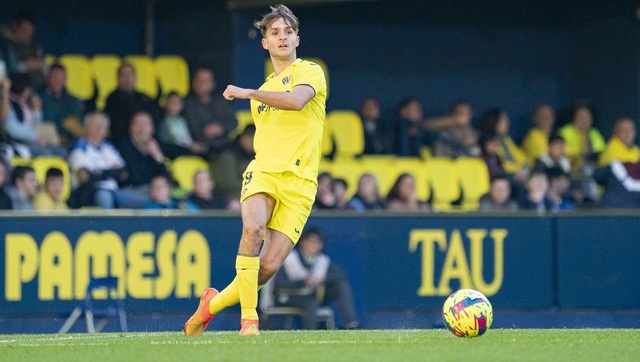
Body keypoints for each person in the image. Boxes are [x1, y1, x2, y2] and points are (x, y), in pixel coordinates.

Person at [184, 4, 327, 337]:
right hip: (264, 172)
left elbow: (295, 101)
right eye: (274, 33)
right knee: (253, 228)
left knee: (265, 269)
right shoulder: (262, 93)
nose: (281, 38)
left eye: (287, 32)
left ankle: (211, 305)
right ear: (264, 42)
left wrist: (248, 91)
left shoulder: (310, 72)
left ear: (297, 39)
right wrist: (254, 93)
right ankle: (249, 320)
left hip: (301, 184)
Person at [271, 228, 359, 330]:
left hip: (310, 295)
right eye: (310, 241)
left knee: (340, 286)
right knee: (310, 302)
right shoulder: (290, 258)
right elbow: (279, 283)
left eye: (317, 242)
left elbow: (341, 275)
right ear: (303, 242)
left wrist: (322, 279)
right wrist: (303, 282)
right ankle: (309, 333)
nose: (313, 245)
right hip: (287, 296)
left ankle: (352, 325)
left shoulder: (322, 260)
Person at [67, 112, 146, 209]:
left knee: (149, 200)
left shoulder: (109, 148)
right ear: (87, 127)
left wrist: (97, 173)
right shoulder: (80, 147)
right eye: (96, 124)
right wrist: (111, 173)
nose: (99, 128)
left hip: (114, 191)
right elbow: (84, 176)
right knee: (104, 195)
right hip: (89, 193)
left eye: (103, 125)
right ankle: (108, 225)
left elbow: (124, 174)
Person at [6, 73, 66, 158]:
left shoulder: (25, 103)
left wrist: (36, 109)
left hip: (36, 141)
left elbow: (37, 123)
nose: (30, 91)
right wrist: (34, 137)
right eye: (28, 88)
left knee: (62, 151)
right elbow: (12, 128)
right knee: (47, 154)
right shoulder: (8, 104)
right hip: (20, 143)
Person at [117, 111, 169, 208]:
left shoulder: (156, 146)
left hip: (156, 190)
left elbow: (166, 178)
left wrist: (157, 156)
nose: (142, 129)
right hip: (134, 192)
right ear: (131, 128)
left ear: (152, 129)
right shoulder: (124, 147)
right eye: (138, 125)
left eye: (145, 124)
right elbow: (134, 179)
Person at [182, 67, 238, 155]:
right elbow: (190, 130)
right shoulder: (186, 104)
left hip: (224, 146)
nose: (201, 84)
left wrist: (221, 128)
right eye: (198, 80)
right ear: (193, 82)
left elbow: (233, 122)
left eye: (204, 81)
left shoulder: (220, 101)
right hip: (200, 149)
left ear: (212, 83)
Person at [104, 62, 163, 144]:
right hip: (126, 141)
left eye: (130, 75)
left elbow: (156, 115)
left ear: (135, 77)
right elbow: (116, 126)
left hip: (150, 139)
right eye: (124, 75)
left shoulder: (143, 97)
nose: (128, 79)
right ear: (118, 78)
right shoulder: (112, 98)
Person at [38, 63, 84, 147]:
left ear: (65, 80)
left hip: (72, 141)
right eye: (55, 78)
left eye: (61, 78)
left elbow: (75, 123)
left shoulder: (74, 100)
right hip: (49, 142)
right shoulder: (40, 98)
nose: (58, 81)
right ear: (48, 78)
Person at [0, 10, 46, 88]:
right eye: (24, 30)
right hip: (13, 92)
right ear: (14, 26)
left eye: (30, 31)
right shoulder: (5, 45)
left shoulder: (35, 47)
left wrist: (41, 65)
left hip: (36, 92)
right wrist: (25, 66)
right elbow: (7, 71)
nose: (27, 34)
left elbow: (45, 68)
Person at [209, 124, 256, 199]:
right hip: (227, 197)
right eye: (254, 141)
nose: (256, 145)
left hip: (247, 192)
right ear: (246, 137)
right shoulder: (227, 154)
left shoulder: (254, 154)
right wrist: (254, 186)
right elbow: (229, 184)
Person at [158, 91, 208, 155]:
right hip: (177, 151)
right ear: (166, 103)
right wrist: (190, 147)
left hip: (191, 149)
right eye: (172, 101)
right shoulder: (163, 122)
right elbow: (169, 142)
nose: (175, 104)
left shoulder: (184, 119)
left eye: (177, 102)